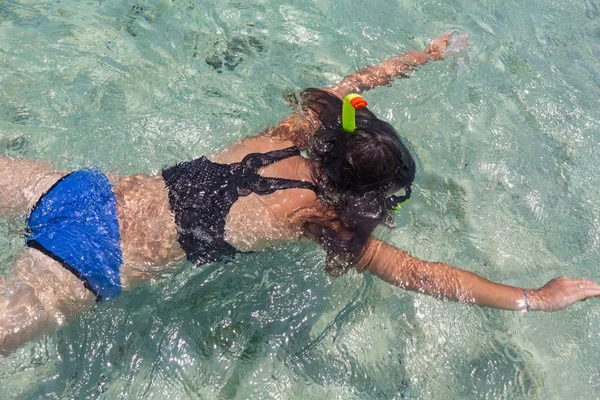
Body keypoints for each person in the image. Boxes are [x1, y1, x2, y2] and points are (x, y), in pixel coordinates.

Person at [0, 33, 598, 356]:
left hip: (84, 192)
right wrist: (534, 300)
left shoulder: (289, 134)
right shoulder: (315, 218)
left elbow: (349, 89)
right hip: (86, 263)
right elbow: (424, 275)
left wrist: (421, 57)